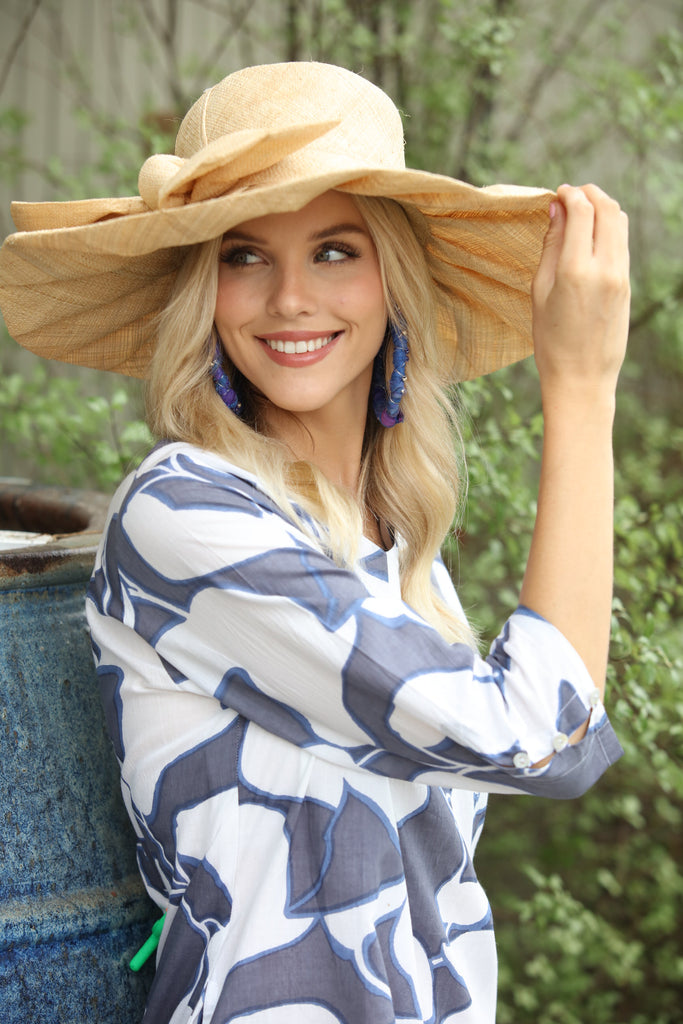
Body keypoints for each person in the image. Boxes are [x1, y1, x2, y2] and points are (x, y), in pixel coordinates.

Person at [0, 62, 629, 1024]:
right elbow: (537, 734)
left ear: (393, 282)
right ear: (201, 290)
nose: (291, 298)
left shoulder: (397, 551)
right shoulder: (184, 516)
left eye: (335, 250)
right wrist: (581, 389)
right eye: (244, 256)